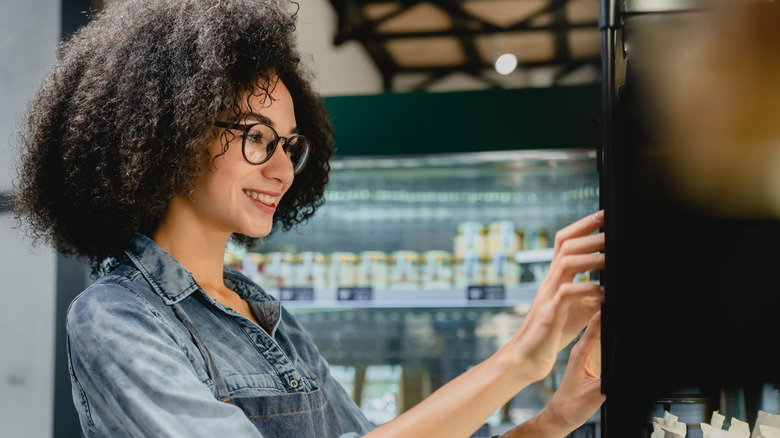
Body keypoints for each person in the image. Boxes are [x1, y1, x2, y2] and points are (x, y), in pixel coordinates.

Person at [11, 0, 606, 437]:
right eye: (256, 138)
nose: (282, 171)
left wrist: (556, 416)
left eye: (289, 145)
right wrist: (516, 361)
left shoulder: (263, 314)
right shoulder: (115, 318)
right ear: (171, 135)